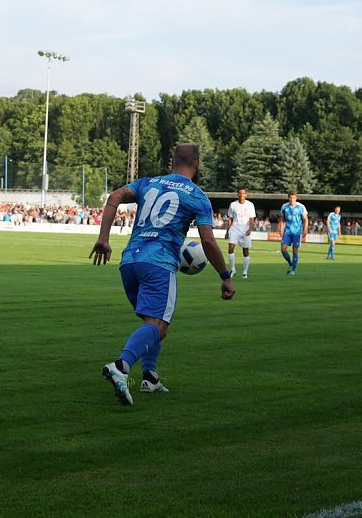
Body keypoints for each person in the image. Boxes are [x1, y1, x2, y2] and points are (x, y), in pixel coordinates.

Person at [90, 143, 235, 406]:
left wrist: (103, 239)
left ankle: (150, 377)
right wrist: (225, 275)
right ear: (198, 164)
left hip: (130, 262)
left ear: (172, 162)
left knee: (152, 324)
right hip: (159, 263)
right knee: (158, 325)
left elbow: (113, 197)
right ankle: (121, 367)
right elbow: (209, 243)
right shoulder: (197, 195)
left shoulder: (147, 182)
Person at [225, 187, 256, 279]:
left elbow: (252, 219)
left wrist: (250, 229)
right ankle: (233, 269)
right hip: (234, 228)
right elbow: (230, 218)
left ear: (246, 195)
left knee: (245, 251)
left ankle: (245, 272)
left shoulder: (250, 205)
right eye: (240, 193)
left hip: (245, 230)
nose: (242, 195)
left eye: (243, 193)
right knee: (230, 248)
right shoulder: (233, 205)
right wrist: (227, 231)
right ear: (238, 194)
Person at [279, 190, 308, 275]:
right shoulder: (284, 207)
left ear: (296, 198)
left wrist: (305, 229)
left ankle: (293, 269)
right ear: (288, 198)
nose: (292, 199)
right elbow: (283, 219)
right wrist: (281, 228)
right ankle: (291, 263)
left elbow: (305, 219)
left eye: (293, 197)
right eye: (290, 197)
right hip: (287, 231)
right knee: (283, 249)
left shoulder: (301, 207)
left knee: (295, 250)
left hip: (297, 232)